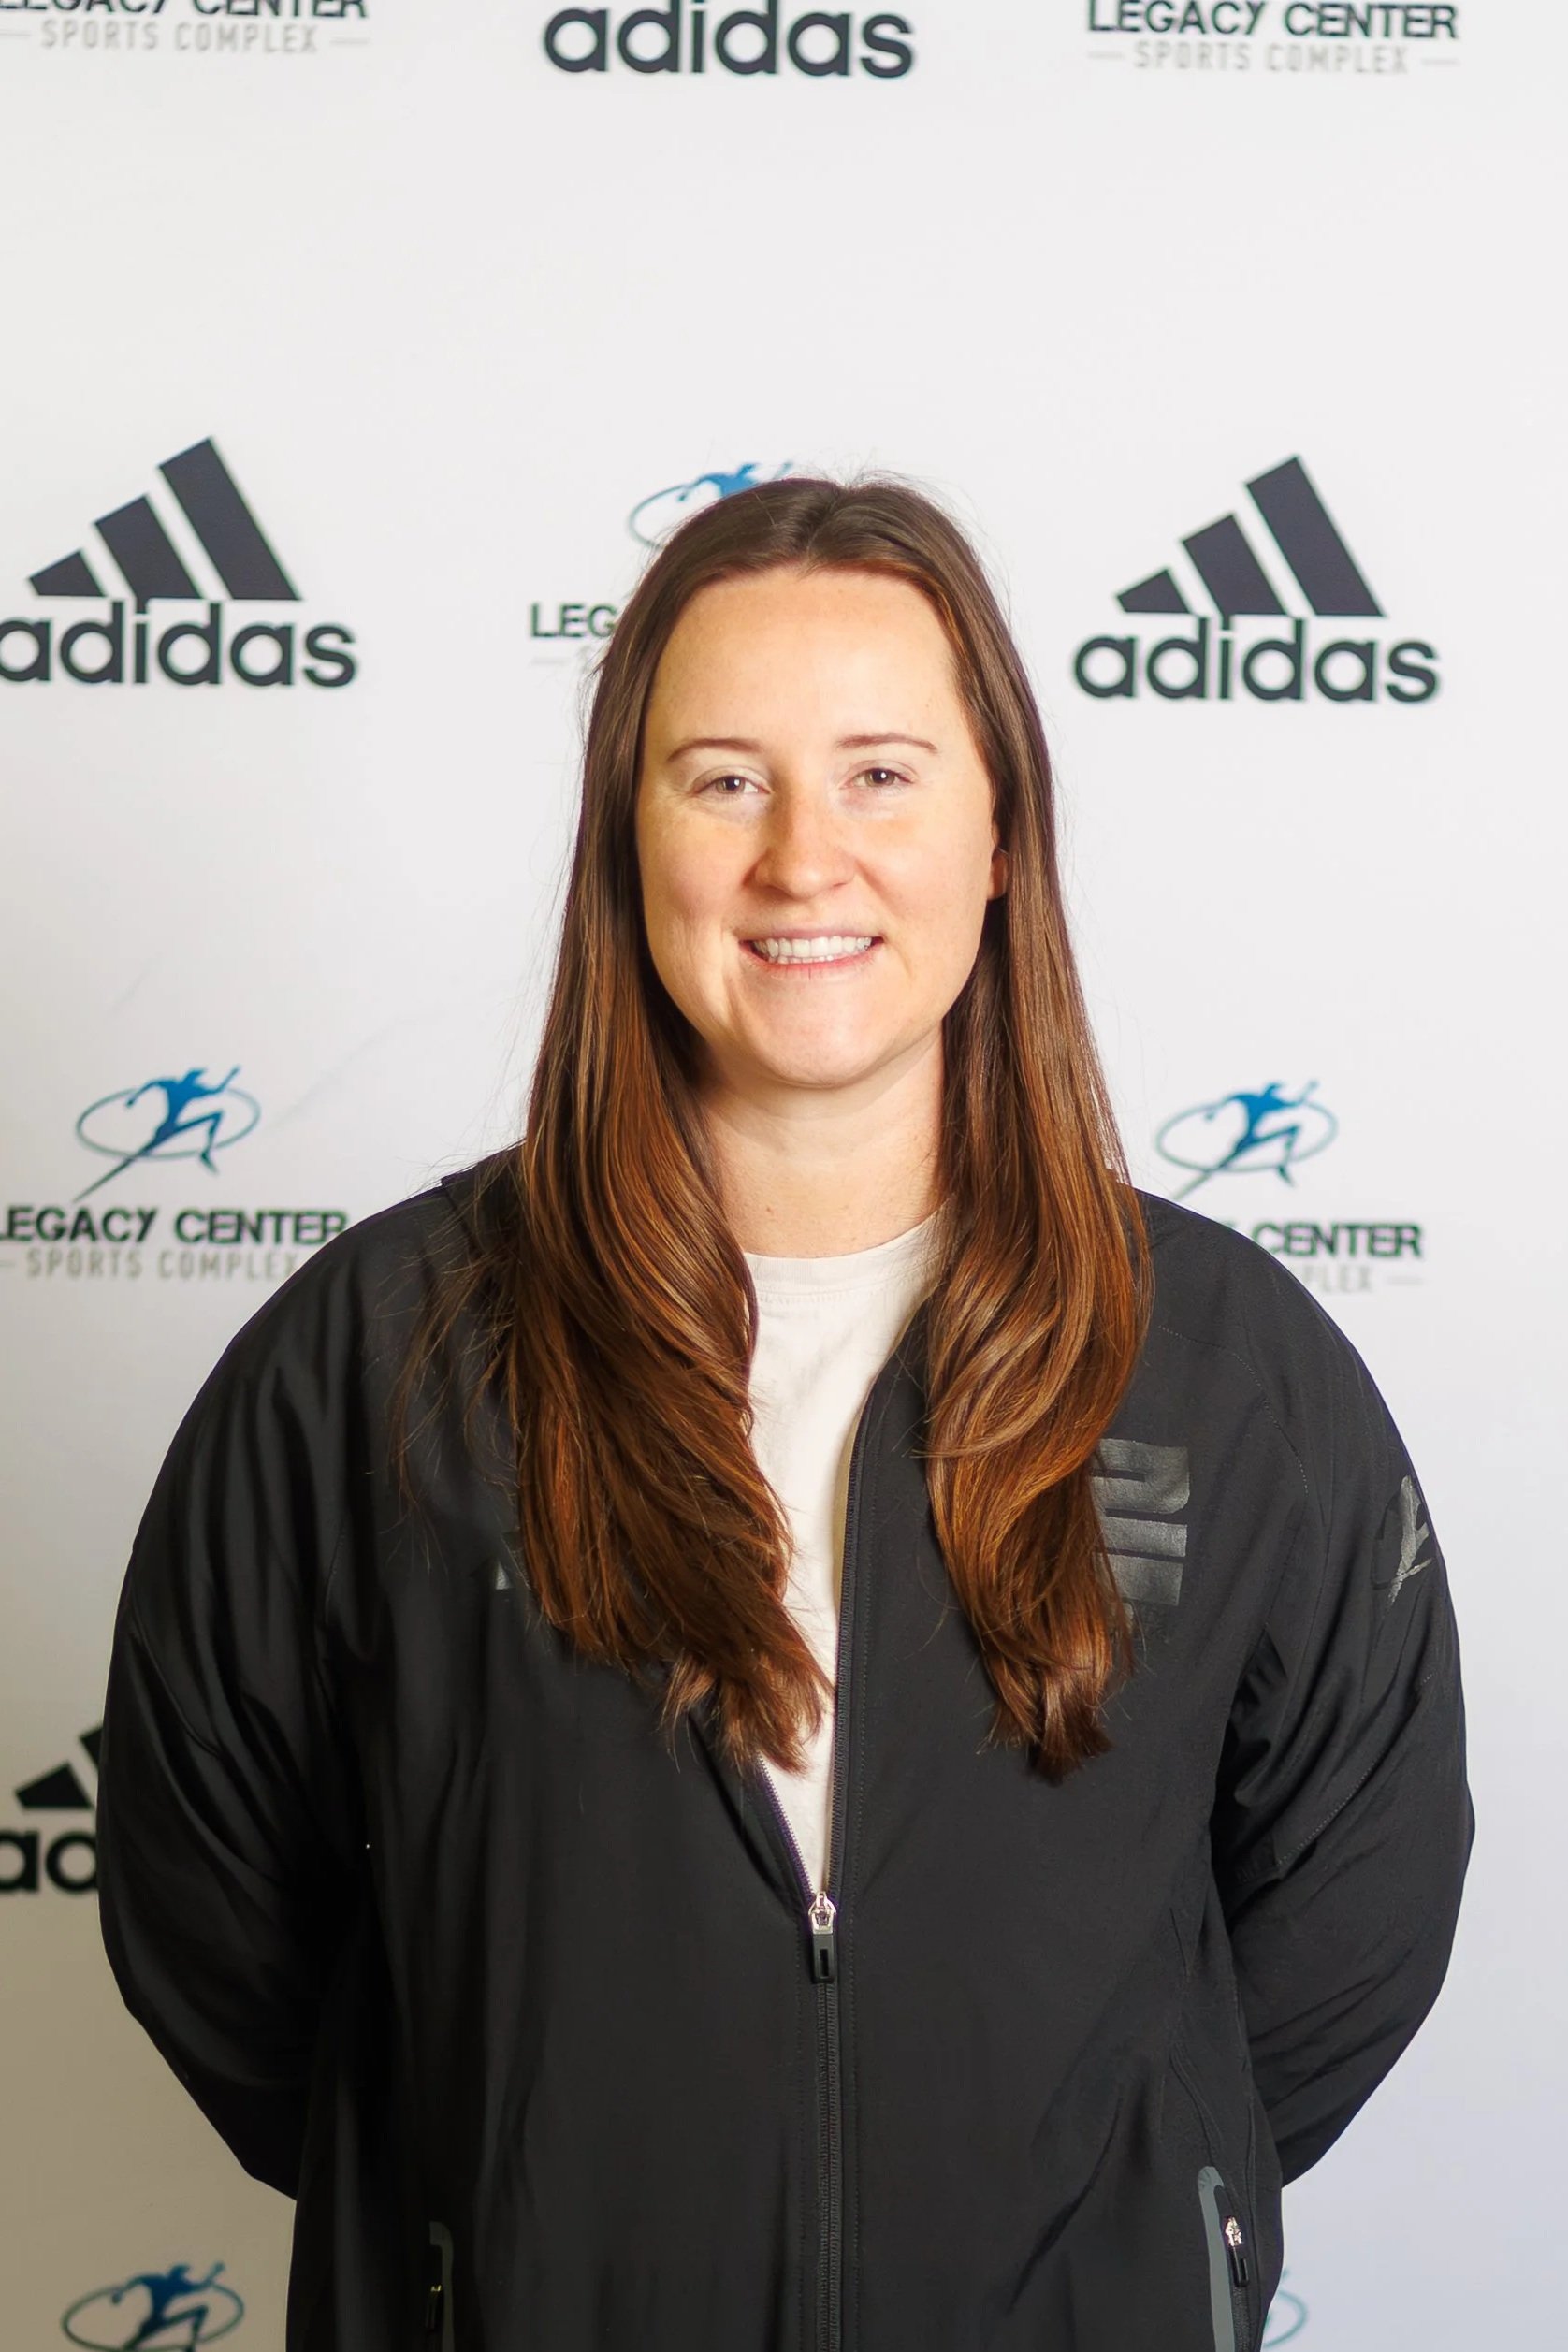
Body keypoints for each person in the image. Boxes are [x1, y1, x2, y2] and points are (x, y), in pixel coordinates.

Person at [95, 477, 1475, 2352]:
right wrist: (482, 2208)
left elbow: (1349, 1908)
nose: (802, 861)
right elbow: (214, 1920)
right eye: (724, 779)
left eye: (883, 776)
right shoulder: (380, 1358)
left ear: (999, 835)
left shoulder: (1226, 1366)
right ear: (627, 835)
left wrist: (1141, 2210)